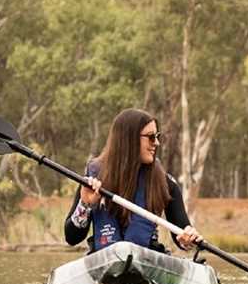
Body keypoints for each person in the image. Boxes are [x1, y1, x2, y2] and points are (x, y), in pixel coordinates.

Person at [64, 108, 202, 254]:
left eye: (157, 136)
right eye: (150, 137)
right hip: (105, 259)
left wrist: (187, 238)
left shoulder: (165, 183)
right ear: (129, 139)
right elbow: (71, 238)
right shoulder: (93, 182)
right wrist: (85, 204)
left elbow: (181, 235)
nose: (156, 143)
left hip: (148, 260)